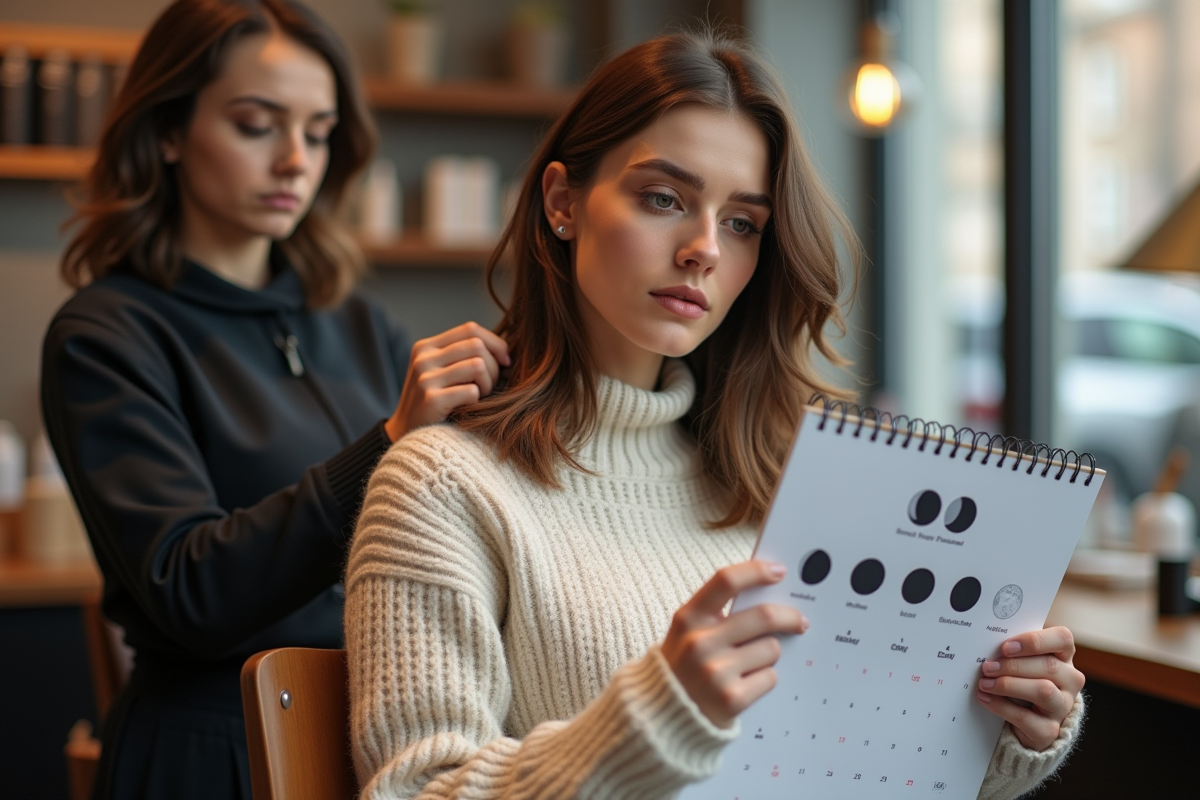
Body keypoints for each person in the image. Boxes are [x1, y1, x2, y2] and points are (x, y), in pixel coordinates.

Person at [344, 30, 1086, 800]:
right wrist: (653, 717)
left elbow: (854, 770)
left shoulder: (782, 475)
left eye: (741, 224)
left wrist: (1006, 727)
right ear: (563, 202)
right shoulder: (440, 487)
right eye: (663, 198)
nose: (703, 248)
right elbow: (413, 791)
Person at [40, 1, 508, 798]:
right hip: (213, 756)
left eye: (319, 132)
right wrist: (391, 441)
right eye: (258, 125)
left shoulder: (357, 320)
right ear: (167, 132)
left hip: (376, 737)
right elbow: (187, 591)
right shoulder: (107, 334)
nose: (296, 159)